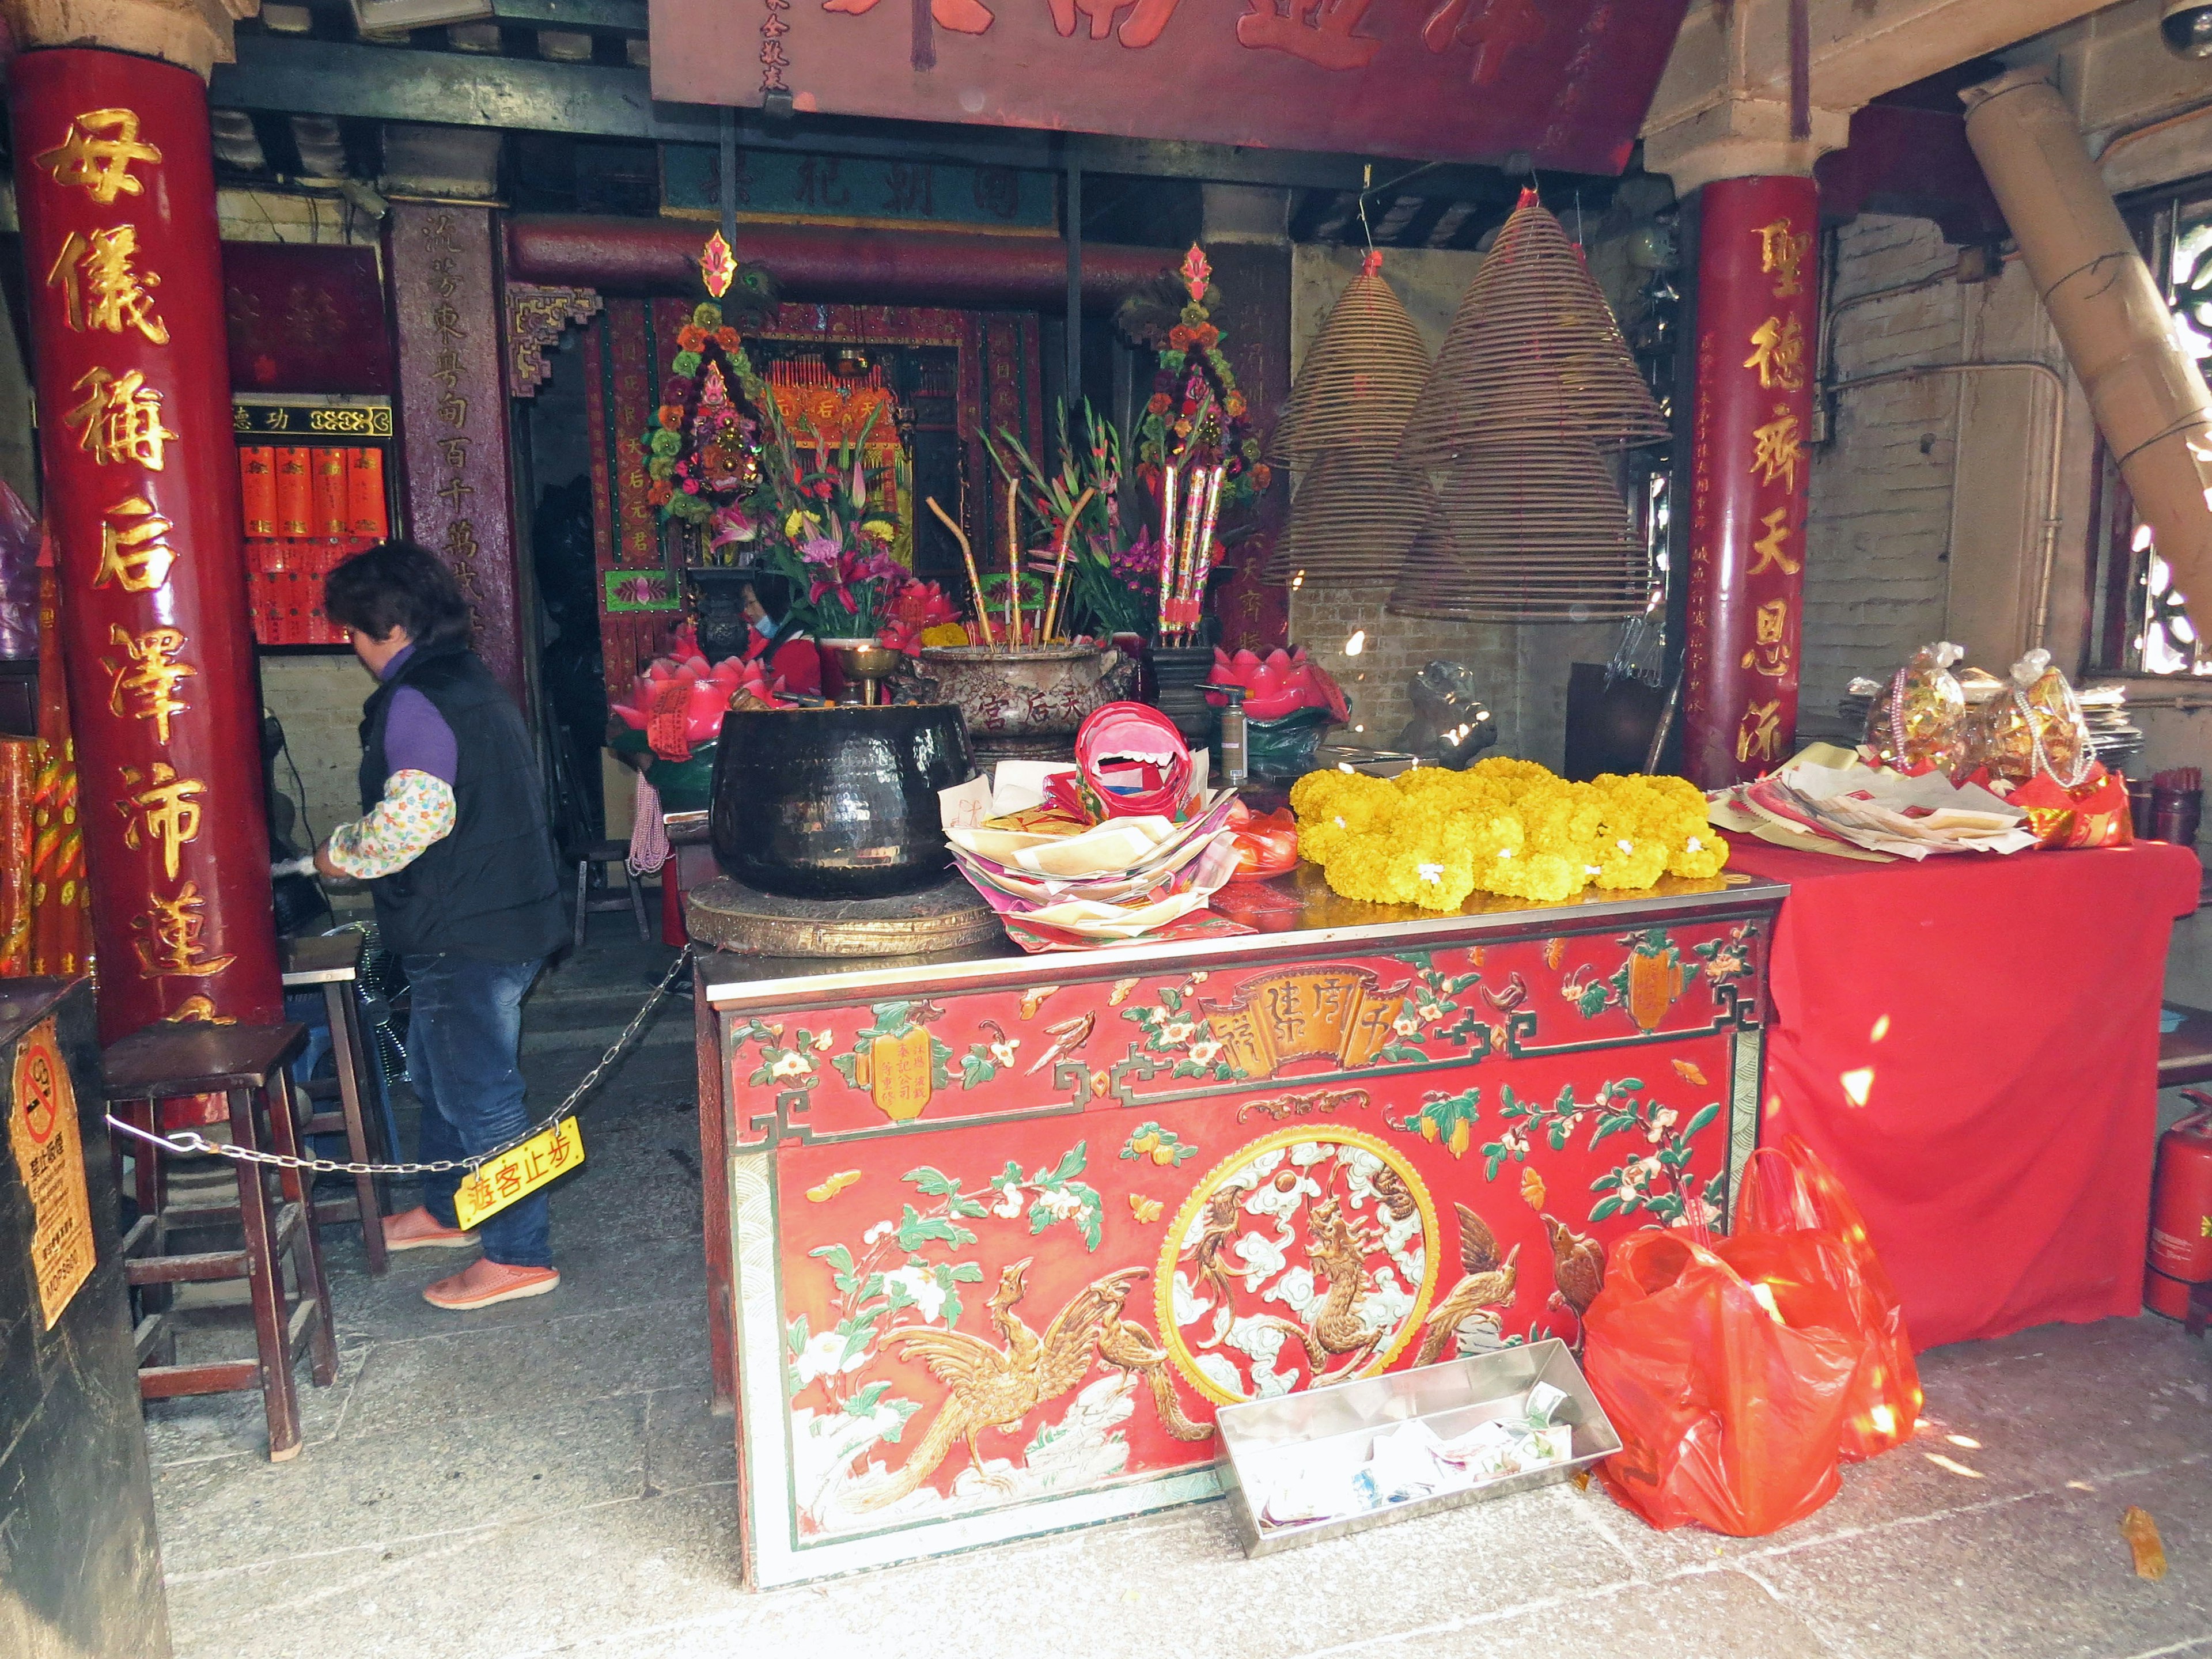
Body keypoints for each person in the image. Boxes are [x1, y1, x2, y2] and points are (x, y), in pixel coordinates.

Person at [317, 541, 569, 1312]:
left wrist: (341, 858)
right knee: (437, 1071)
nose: (350, 646)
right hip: (499, 913)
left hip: (467, 927)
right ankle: (445, 1209)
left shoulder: (417, 696)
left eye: (353, 631)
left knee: (482, 1093)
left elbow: (419, 816)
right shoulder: (466, 678)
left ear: (383, 626)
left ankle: (518, 1253)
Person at [740, 571, 821, 695]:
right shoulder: (781, 638)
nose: (747, 611)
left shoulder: (800, 647)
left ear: (773, 601)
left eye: (751, 603)